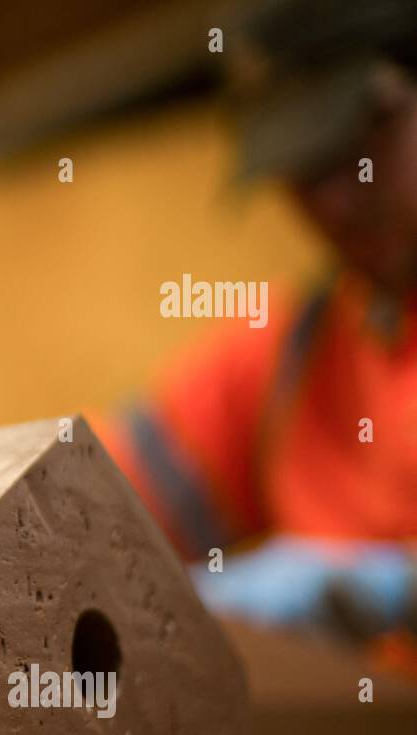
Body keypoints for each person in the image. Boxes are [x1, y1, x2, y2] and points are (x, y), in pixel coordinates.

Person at [93, 0, 417, 651]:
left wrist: (401, 589)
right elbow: (89, 507)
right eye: (300, 169)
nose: (334, 199)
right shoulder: (294, 359)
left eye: (361, 138)